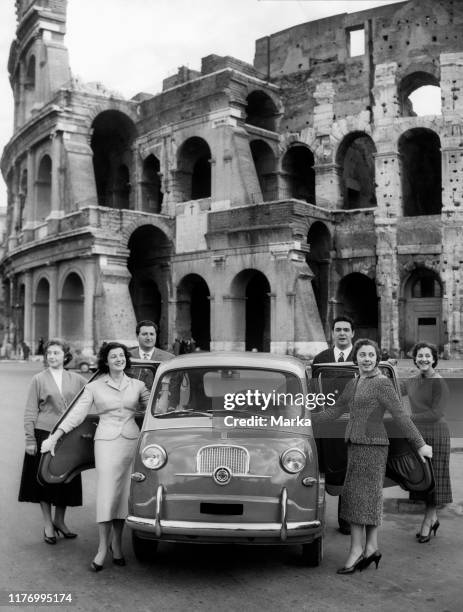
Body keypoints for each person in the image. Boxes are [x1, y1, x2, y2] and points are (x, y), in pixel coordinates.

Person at [312, 339, 432, 574]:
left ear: (377, 358)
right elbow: (336, 410)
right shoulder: (355, 382)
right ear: (355, 358)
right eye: (362, 355)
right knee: (360, 500)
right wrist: (307, 420)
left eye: (371, 355)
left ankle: (359, 550)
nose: (366, 359)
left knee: (363, 500)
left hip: (373, 448)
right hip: (355, 446)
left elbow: (401, 416)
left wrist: (420, 445)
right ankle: (370, 549)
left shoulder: (381, 383)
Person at [41, 342, 150, 571]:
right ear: (106, 361)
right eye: (114, 356)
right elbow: (76, 415)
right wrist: (54, 437)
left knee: (123, 495)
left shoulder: (138, 385)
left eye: (122, 356)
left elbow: (153, 409)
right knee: (106, 494)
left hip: (131, 442)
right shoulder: (95, 387)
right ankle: (102, 548)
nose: (119, 359)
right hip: (106, 442)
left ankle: (117, 545)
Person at [18, 338, 86, 544]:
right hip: (43, 434)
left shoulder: (77, 379)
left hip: (68, 437)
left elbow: (90, 398)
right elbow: (30, 411)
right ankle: (48, 524)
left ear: (65, 356)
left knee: (66, 479)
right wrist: (30, 440)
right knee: (45, 480)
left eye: (56, 353)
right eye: (49, 354)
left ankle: (60, 521)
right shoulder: (38, 379)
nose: (52, 357)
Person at [401, 341, 452, 543]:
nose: (423, 359)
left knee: (433, 479)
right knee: (422, 477)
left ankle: (428, 521)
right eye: (420, 356)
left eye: (427, 356)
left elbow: (436, 413)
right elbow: (394, 389)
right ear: (415, 359)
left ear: (434, 359)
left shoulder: (439, 382)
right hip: (419, 434)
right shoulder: (413, 380)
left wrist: (408, 419)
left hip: (436, 433)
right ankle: (433, 518)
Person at [312, 315, 355, 535]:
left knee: (351, 471)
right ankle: (316, 516)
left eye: (346, 330)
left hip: (354, 423)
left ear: (352, 334)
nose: (342, 333)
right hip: (328, 425)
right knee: (325, 471)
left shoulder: (362, 356)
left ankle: (346, 520)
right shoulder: (321, 359)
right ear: (332, 333)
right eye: (338, 329)